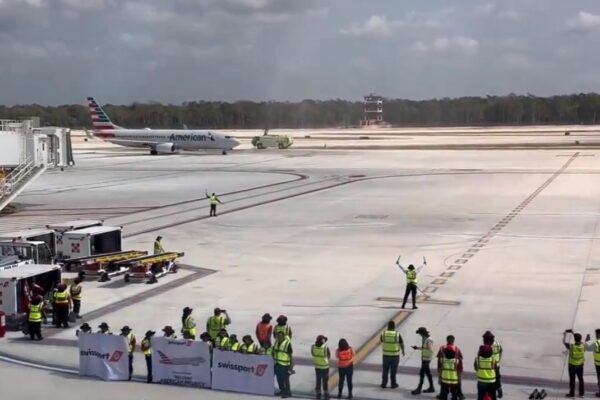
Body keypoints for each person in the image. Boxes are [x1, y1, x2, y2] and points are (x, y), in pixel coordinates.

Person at [437, 335, 464, 400]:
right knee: (455, 388)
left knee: (444, 387)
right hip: (454, 375)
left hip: (445, 374)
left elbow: (439, 360)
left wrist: (439, 371)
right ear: (453, 341)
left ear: (447, 340)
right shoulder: (457, 349)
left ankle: (442, 395)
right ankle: (460, 394)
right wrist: (460, 372)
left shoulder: (442, 348)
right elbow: (460, 360)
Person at [380, 320, 405, 388]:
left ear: (388, 326)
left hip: (385, 355)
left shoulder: (383, 333)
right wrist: (403, 351)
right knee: (393, 371)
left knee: (385, 370)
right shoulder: (397, 334)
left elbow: (382, 340)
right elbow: (401, 343)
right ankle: (393, 384)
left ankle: (384, 384)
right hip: (395, 356)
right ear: (394, 326)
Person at [412, 327, 435, 395]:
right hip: (424, 358)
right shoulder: (424, 338)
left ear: (423, 333)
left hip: (427, 359)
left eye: (420, 333)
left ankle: (419, 388)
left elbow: (429, 348)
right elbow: (425, 348)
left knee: (422, 373)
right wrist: (417, 348)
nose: (420, 334)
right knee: (428, 373)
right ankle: (431, 387)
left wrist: (420, 348)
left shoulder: (429, 339)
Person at [563, 330, 585, 398]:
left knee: (572, 380)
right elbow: (579, 340)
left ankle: (572, 394)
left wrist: (565, 335)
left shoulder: (571, 346)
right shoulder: (583, 345)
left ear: (574, 339)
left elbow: (564, 342)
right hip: (580, 365)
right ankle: (581, 394)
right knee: (581, 379)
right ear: (580, 339)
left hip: (572, 365)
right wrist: (573, 333)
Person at [483, 331, 503, 398]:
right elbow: (501, 351)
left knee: (490, 379)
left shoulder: (488, 346)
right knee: (497, 378)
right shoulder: (497, 344)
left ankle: (489, 393)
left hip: (490, 364)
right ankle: (499, 391)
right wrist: (499, 359)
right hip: (497, 364)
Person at [273, 330, 293, 398]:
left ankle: (288, 393)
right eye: (278, 336)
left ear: (283, 336)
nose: (279, 337)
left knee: (286, 380)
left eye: (280, 336)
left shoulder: (287, 343)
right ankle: (282, 390)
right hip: (277, 364)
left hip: (285, 365)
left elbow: (290, 355)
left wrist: (291, 366)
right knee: (279, 379)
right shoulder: (276, 343)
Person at [312, 335, 330, 400]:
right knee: (325, 381)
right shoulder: (325, 347)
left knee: (318, 380)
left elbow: (312, 354)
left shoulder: (313, 347)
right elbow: (328, 356)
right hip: (325, 367)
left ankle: (318, 394)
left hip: (317, 366)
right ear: (322, 341)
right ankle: (326, 394)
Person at [584, 329, 600, 397]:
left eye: (596, 334)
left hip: (599, 364)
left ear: (598, 335)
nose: (595, 335)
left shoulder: (597, 343)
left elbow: (588, 348)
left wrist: (587, 341)